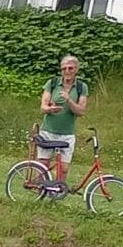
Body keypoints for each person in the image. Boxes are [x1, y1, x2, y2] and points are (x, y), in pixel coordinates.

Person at [36, 54, 89, 189]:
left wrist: (69, 100)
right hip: (48, 131)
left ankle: (57, 192)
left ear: (76, 70)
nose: (67, 71)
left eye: (70, 68)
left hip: (67, 133)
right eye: (63, 69)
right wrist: (50, 109)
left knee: (64, 168)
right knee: (43, 164)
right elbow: (43, 107)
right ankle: (40, 192)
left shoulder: (81, 87)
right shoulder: (52, 83)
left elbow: (81, 111)